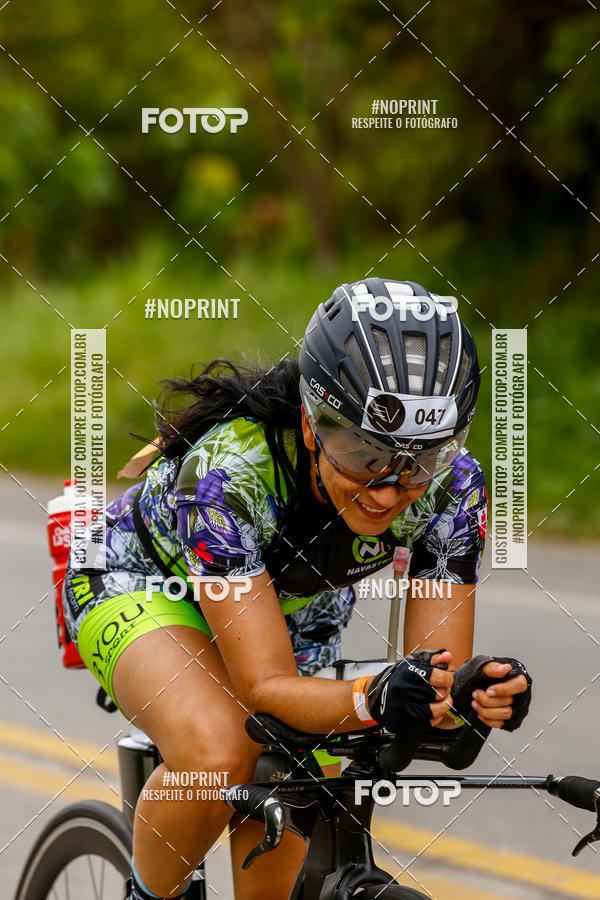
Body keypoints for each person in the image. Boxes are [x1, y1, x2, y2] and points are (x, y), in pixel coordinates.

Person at [62, 277, 531, 900]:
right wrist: (373, 695)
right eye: (362, 453)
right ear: (313, 425)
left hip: (286, 606)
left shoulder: (455, 487)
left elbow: (428, 676)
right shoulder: (229, 474)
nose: (389, 489)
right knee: (220, 750)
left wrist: (466, 695)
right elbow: (267, 688)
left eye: (420, 460)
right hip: (142, 582)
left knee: (296, 804)